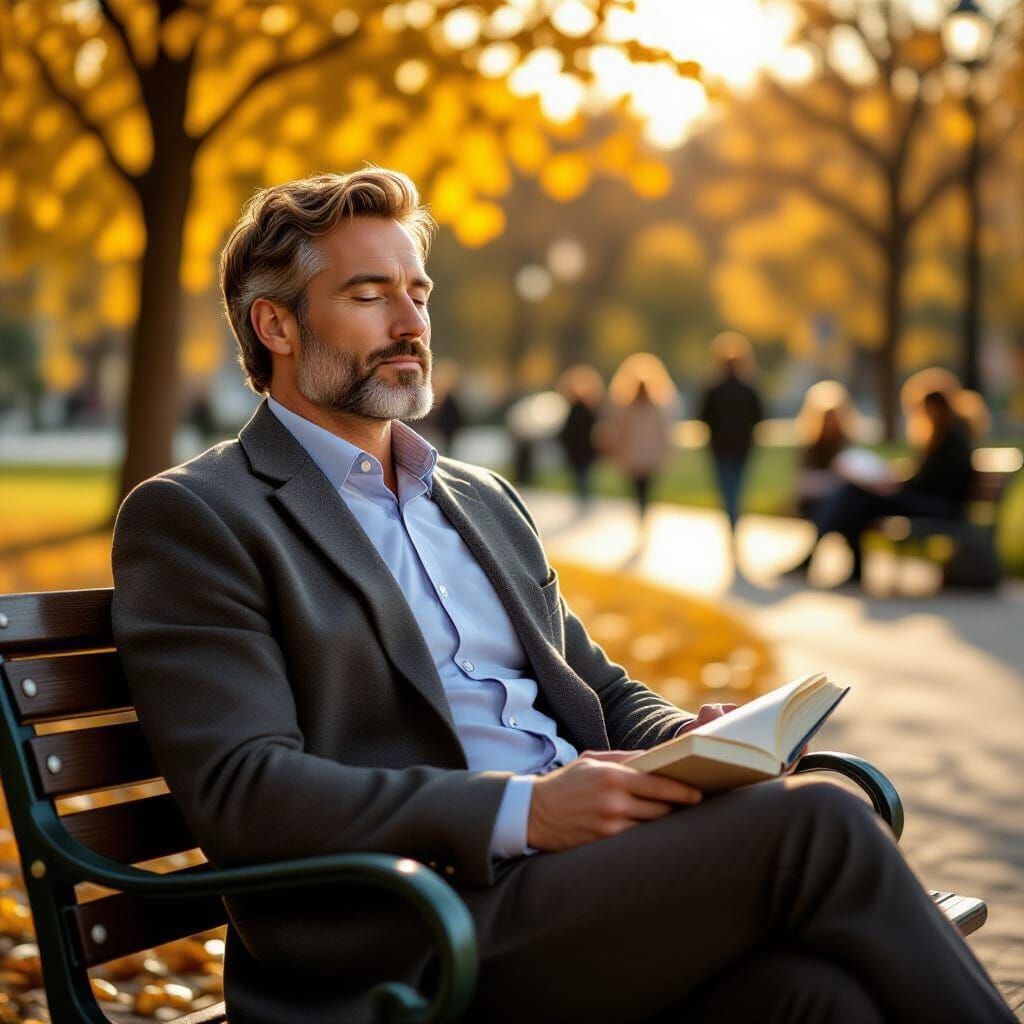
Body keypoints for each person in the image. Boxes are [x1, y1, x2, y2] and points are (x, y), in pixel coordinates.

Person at [111, 170, 1014, 1024]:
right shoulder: (200, 516)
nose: (410, 320)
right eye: (369, 294)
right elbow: (245, 789)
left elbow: (597, 689)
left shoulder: (478, 499)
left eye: (419, 293)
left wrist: (688, 743)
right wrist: (523, 809)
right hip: (415, 927)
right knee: (817, 820)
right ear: (275, 325)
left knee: (817, 1000)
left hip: (580, 884)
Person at [785, 369, 982, 585]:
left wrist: (894, 484)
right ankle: (849, 566)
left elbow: (934, 482)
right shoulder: (946, 436)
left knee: (854, 495)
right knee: (855, 500)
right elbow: (926, 477)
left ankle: (815, 557)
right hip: (928, 502)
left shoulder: (952, 440)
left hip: (938, 507)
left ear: (935, 408)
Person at [697, 331, 763, 533]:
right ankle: (733, 521)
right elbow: (760, 417)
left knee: (728, 490)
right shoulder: (748, 388)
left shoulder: (714, 389)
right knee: (736, 489)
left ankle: (732, 521)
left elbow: (703, 417)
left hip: (723, 448)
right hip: (739, 447)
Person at [601, 353, 676, 522]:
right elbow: (664, 432)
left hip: (634, 456)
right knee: (645, 488)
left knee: (638, 488)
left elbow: (619, 431)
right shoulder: (654, 407)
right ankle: (643, 512)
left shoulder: (628, 407)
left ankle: (641, 512)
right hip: (648, 456)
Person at [792, 379, 860, 520]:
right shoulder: (811, 447)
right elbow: (802, 483)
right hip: (817, 500)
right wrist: (833, 479)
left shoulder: (846, 444)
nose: (831, 425)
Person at [555, 364, 604, 508]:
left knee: (579, 476)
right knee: (584, 475)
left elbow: (566, 432)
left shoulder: (573, 411)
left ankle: (582, 497)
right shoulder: (589, 411)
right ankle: (585, 497)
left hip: (576, 450)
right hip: (586, 450)